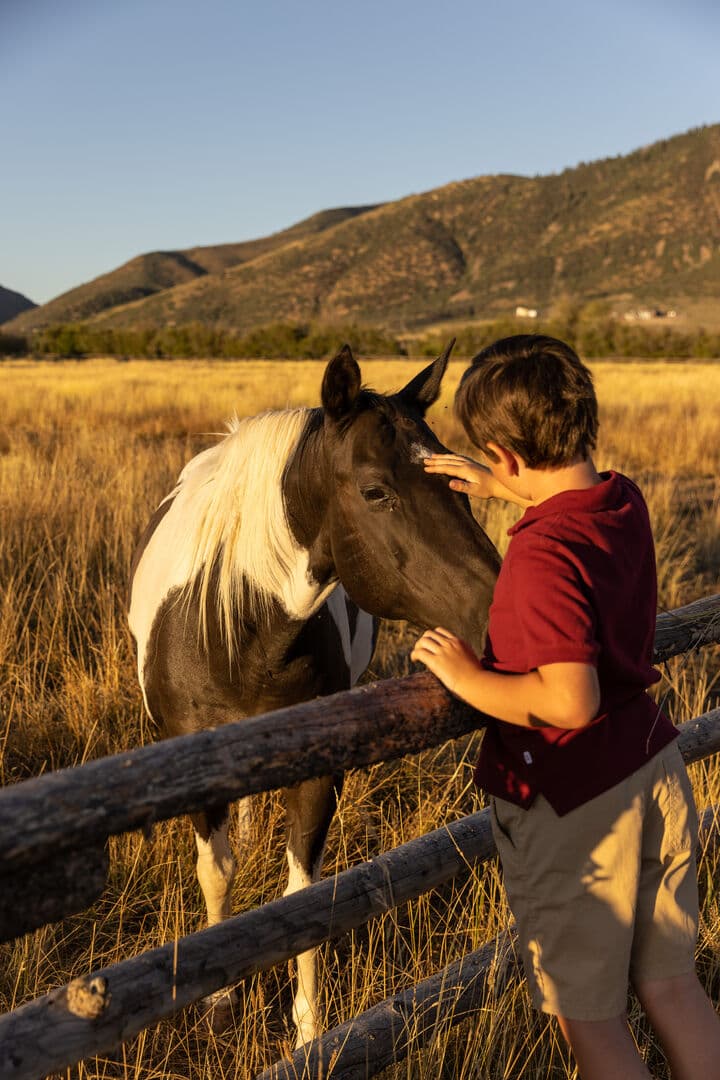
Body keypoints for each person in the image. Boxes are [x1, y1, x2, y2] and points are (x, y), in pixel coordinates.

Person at [411, 335, 720, 1080]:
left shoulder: (542, 553)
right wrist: (503, 485)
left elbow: (566, 699)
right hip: (653, 766)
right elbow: (564, 497)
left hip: (583, 806)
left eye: (498, 464)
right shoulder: (617, 497)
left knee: (593, 1020)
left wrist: (463, 675)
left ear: (506, 453)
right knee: (674, 985)